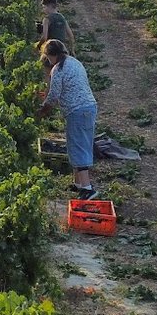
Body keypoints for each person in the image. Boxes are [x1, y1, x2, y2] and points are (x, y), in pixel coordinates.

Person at [38, 38, 99, 200]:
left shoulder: (58, 69)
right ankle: (78, 183)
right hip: (88, 107)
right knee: (77, 144)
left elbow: (53, 97)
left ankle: (88, 188)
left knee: (79, 146)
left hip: (77, 110)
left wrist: (41, 112)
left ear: (50, 55)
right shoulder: (74, 62)